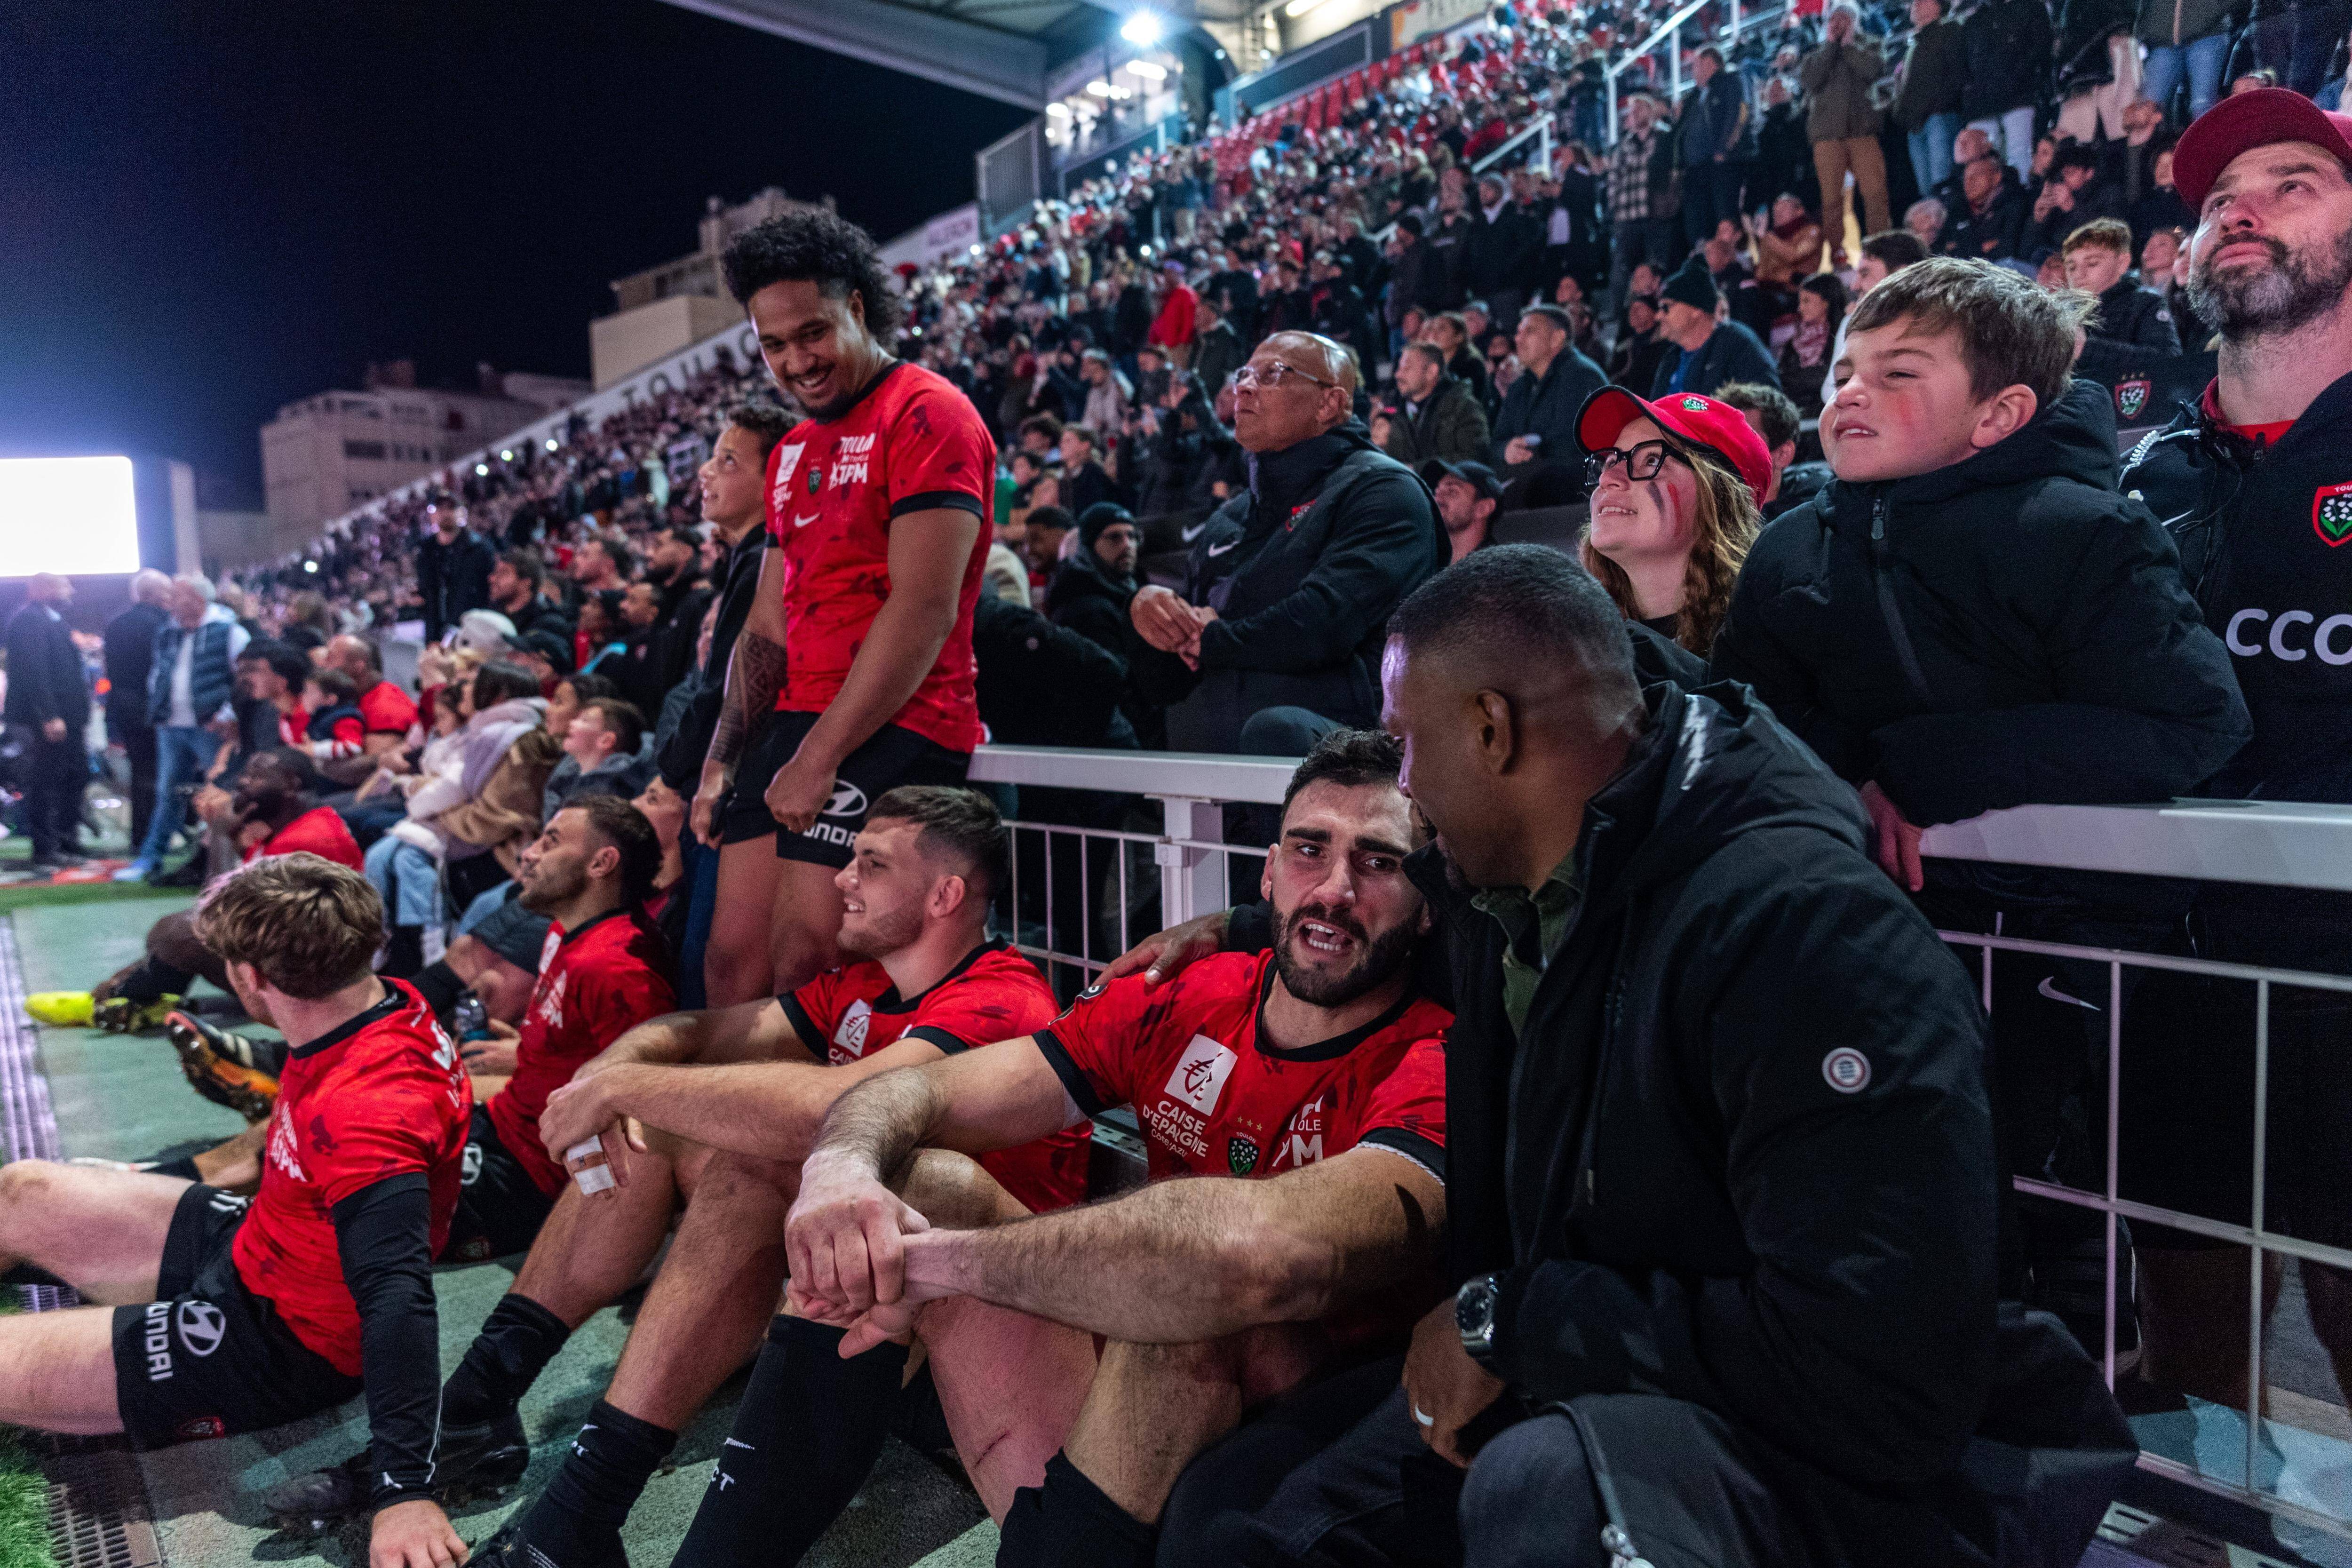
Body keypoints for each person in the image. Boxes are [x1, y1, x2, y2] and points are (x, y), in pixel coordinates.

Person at [1134, 547, 2137, 1568]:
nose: (1404, 782)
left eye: (1405, 743)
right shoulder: (1510, 885)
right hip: (1594, 1367)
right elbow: (1377, 920)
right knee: (1233, 1509)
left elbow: (1882, 1374)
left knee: (1547, 1492)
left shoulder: (1807, 934)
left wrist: (1510, 1321)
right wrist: (1245, 922)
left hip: (1847, 1469)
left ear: (1491, 728)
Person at [777, 734, 1450, 1568]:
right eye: (1311, 850)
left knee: (1184, 1297)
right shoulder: (1187, 988)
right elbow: (927, 1089)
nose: (1336, 889)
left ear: (1428, 902)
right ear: (1270, 871)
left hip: (1326, 1416)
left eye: (1379, 861)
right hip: (1145, 1373)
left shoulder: (1439, 1054)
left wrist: (935, 1265)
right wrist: (838, 1165)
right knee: (917, 1180)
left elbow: (1246, 1262)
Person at [379, 789, 1086, 1568]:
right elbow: (701, 1029)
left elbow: (845, 1106)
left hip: (983, 1332)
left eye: (872, 864)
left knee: (763, 1146)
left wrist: (622, 1087)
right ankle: (495, 1417)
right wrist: (616, 1068)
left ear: (946, 894)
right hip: (861, 1309)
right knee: (665, 1135)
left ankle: (585, 1508)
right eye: (851, 857)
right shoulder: (861, 985)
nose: (843, 878)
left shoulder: (1000, 998)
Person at [0, 855, 473, 1568]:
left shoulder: (369, 1109)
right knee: (22, 1189)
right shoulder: (382, 998)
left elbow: (399, 1297)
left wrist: (404, 1488)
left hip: (283, 1342)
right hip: (254, 1242)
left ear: (251, 977)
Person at [2117, 88, 2352, 1408]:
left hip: (2344, 963)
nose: (2241, 209)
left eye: (2291, 182)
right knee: (2189, 1328)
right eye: (2216, 201)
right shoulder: (2142, 472)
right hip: (2177, 959)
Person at [698, 208, 994, 1008]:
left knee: (808, 964)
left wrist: (822, 755)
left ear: (858, 309)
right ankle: (747, 1133)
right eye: (774, 345)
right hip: (795, 722)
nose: (797, 360)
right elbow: (766, 627)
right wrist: (724, 759)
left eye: (813, 332)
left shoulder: (930, 412)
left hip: (893, 722)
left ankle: (827, 1134)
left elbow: (925, 605)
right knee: (731, 966)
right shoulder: (791, 450)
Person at [1127, 332, 1443, 757]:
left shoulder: (1383, 491)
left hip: (1348, 777)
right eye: (1244, 374)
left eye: (1273, 374)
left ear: (1328, 404)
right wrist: (1152, 617)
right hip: (1209, 781)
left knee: (1276, 731)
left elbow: (1324, 623)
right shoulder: (1230, 518)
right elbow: (1171, 674)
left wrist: (1214, 640)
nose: (1243, 386)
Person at [1575, 386, 1771, 659]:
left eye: (1652, 459)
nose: (1609, 478)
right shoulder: (1572, 642)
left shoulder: (1765, 643)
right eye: (1610, 461)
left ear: (1718, 497)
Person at [119, 573, 248, 883]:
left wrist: (229, 714)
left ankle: (221, 863)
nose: (170, 602)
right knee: (168, 794)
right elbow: (159, 673)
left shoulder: (230, 632)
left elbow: (245, 680)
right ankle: (151, 859)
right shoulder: (168, 632)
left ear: (198, 600)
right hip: (171, 727)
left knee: (221, 791)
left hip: (210, 728)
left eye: (177, 596)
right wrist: (158, 706)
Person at [5, 573, 89, 871]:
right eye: (65, 586)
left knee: (75, 775)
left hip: (67, 717)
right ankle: (47, 847)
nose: (71, 591)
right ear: (44, 590)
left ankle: (66, 839)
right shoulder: (30, 620)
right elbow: (35, 672)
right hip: (45, 720)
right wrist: (49, 715)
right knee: (47, 782)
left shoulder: (52, 619)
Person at [1801, 3, 1892, 262]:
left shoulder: (1872, 44)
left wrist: (1850, 46)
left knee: (1875, 193)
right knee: (1831, 200)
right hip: (1827, 137)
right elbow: (1809, 81)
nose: (1838, 24)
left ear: (1855, 22)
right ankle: (1838, 252)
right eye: (1834, 20)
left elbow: (1873, 70)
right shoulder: (1817, 53)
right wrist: (1831, 46)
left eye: (1844, 19)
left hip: (1862, 132)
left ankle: (1879, 249)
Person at [1487, 305, 1607, 476]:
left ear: (1557, 338)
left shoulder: (1582, 376)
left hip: (1571, 489)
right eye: (1518, 332)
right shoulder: (1519, 387)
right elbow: (1496, 442)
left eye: (1529, 331)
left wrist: (1528, 454)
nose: (1518, 339)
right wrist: (1506, 450)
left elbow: (1570, 447)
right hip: (1531, 484)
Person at [103, 568, 174, 853]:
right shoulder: (165, 624)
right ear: (157, 595)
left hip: (124, 706)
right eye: (168, 592)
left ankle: (142, 835)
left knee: (141, 772)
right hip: (154, 707)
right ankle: (155, 837)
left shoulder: (117, 623)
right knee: (158, 774)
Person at [1651, 257, 1781, 397]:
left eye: (1666, 307)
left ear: (1696, 309)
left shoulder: (1736, 344)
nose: (1658, 316)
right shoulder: (1672, 358)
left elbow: (1764, 403)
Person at [1605, 93, 1681, 311]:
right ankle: (1624, 315)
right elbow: (1613, 180)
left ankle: (1663, 309)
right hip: (1627, 216)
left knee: (1659, 267)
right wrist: (1615, 208)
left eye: (1640, 108)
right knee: (1624, 269)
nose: (1635, 113)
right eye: (1632, 109)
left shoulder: (1665, 138)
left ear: (1652, 111)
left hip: (1657, 214)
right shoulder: (1622, 146)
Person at [1715, 379, 1835, 517]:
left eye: (1742, 439)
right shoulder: (1703, 508)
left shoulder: (1816, 510)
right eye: (1719, 436)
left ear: (1783, 454)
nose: (1723, 448)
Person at [1675, 46, 1754, 250]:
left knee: (1725, 219)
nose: (1692, 72)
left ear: (1709, 63)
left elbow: (1739, 115)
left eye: (1695, 65)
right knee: (1700, 224)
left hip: (1721, 166)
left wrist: (1724, 150)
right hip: (1696, 170)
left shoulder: (1730, 82)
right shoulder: (1694, 97)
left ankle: (1732, 261)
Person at [1964, 0, 2054, 175]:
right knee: (1990, 160)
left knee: (2019, 155)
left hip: (2018, 96)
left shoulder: (2031, 8)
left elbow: (2041, 50)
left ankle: (2020, 199)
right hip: (1988, 101)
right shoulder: (1974, 22)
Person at [1893, 0, 1971, 197]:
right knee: (1927, 192)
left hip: (1939, 119)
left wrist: (1939, 106)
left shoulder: (1949, 31)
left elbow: (1958, 74)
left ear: (1938, 6)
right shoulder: (1914, 45)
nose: (1915, 4)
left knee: (1942, 186)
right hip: (1917, 125)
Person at [1375, 342, 1492, 467]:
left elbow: (1475, 457)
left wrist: (1418, 470)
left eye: (1407, 368)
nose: (1398, 375)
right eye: (1399, 368)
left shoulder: (1464, 407)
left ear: (1431, 372)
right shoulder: (1399, 413)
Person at [417, 498, 495, 642]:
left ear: (461, 513)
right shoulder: (426, 551)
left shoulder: (479, 549)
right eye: (440, 509)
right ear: (433, 515)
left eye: (451, 509)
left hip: (471, 631)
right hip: (437, 633)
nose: (446, 514)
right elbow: (428, 593)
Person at [1776, 271, 1847, 414]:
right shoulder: (1795, 341)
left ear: (1826, 302)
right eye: (1800, 301)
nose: (1800, 308)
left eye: (1807, 301)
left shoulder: (1842, 337)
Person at [1941, 151, 2028, 263]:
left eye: (1977, 175)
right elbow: (1947, 252)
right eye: (1966, 177)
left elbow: (2008, 250)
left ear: (1997, 178)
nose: (1969, 182)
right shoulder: (1958, 207)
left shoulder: (2015, 203)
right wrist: (1982, 248)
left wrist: (1965, 248)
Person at [1420, 458, 1505, 561]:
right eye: (1436, 491)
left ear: (1483, 509)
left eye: (1452, 491)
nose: (1436, 499)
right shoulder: (1422, 562)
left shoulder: (1499, 570)